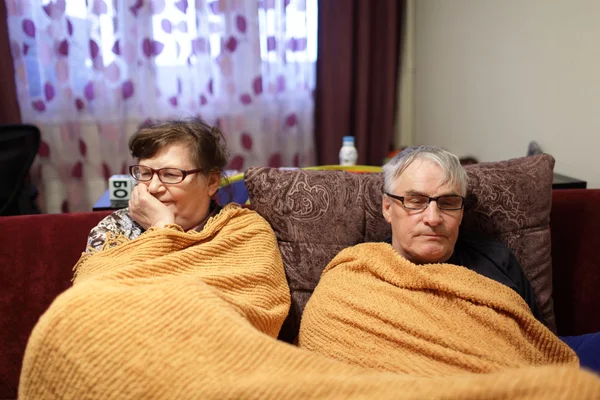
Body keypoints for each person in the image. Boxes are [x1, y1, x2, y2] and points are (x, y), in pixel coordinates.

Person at [298, 145, 598, 377]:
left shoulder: (495, 257)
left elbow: (534, 342)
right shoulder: (356, 274)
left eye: (448, 203)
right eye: (415, 201)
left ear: (462, 211)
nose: (432, 218)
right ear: (388, 208)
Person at [86, 118, 226, 252]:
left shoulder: (237, 230)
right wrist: (161, 226)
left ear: (211, 182)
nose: (153, 188)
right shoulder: (114, 230)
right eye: (145, 173)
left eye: (170, 174)